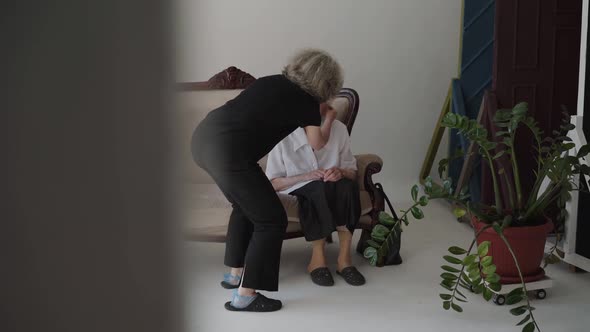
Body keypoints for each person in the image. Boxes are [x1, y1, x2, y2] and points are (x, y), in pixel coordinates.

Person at [191, 49, 343, 312]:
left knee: (245, 206)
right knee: (271, 219)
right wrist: (328, 116)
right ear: (326, 82)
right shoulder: (305, 102)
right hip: (230, 154)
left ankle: (234, 274)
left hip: (203, 141)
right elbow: (317, 143)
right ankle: (246, 295)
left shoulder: (270, 81)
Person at [264, 107, 366, 287]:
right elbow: (273, 182)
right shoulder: (282, 132)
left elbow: (352, 171)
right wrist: (305, 176)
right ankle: (317, 261)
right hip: (297, 186)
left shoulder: (338, 129)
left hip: (334, 185)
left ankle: (344, 261)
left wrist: (340, 171)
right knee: (317, 189)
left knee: (347, 187)